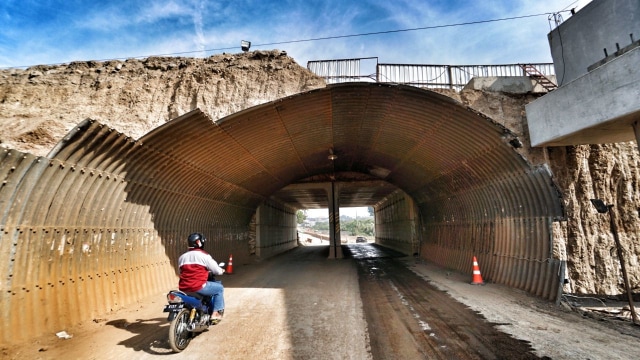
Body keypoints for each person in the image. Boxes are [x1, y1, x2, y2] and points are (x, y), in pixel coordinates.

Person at [178, 232, 225, 322]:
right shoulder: (204, 256)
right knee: (219, 288)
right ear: (200, 242)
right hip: (198, 286)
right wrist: (221, 270)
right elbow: (216, 270)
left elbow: (182, 270)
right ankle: (215, 313)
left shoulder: (182, 257)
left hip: (184, 287)